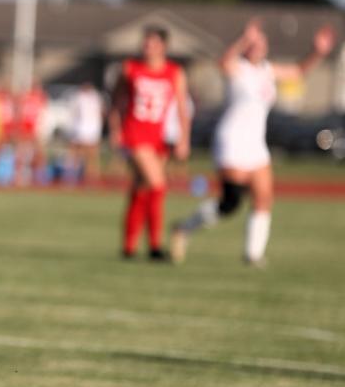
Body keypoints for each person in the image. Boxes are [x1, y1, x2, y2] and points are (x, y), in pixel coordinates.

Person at [171, 20, 335, 265]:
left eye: (260, 43)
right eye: (253, 44)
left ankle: (253, 254)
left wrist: (318, 52)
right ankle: (184, 228)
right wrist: (242, 38)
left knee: (264, 197)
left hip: (255, 144)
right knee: (231, 202)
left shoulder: (267, 70)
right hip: (232, 140)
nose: (257, 47)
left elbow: (299, 72)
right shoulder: (238, 68)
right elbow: (223, 62)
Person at [108, 25, 190, 260]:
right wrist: (115, 130)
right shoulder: (130, 68)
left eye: (154, 43)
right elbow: (116, 101)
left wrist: (184, 138)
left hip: (159, 137)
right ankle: (155, 246)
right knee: (157, 184)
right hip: (135, 134)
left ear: (164, 46)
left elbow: (183, 108)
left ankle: (129, 247)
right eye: (146, 43)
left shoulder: (174, 72)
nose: (148, 48)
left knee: (141, 188)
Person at [68, 82, 104, 183]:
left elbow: (74, 113)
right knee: (90, 154)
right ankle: (90, 175)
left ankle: (75, 174)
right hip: (91, 128)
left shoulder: (81, 97)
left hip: (84, 128)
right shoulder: (95, 97)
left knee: (79, 152)